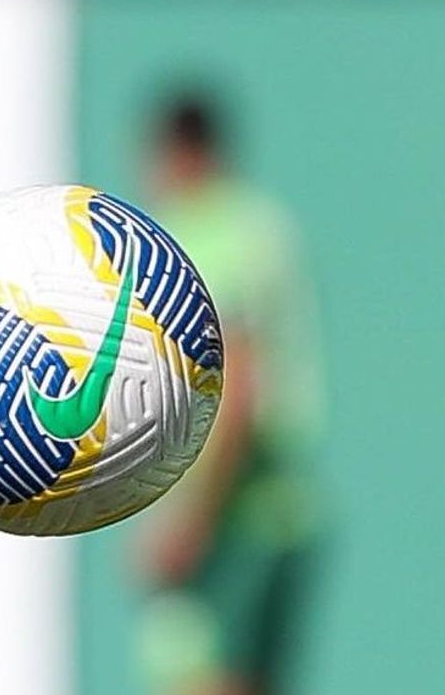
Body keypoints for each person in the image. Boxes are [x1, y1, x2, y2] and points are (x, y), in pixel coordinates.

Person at [135, 94, 325, 695]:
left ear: (177, 152)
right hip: (280, 510)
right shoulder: (262, 224)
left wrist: (193, 521)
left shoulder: (203, 237)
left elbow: (237, 383)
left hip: (233, 514)